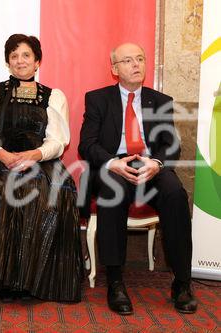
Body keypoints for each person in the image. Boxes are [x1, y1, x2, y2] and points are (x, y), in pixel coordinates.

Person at [0, 34, 83, 302]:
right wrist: (3, 155)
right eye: (14, 56)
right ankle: (0, 280)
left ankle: (37, 281)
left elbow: (59, 140)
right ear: (7, 62)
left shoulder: (53, 95)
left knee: (49, 192)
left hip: (40, 160)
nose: (20, 61)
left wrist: (35, 155)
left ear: (37, 61)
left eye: (26, 55)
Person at [78, 43, 197, 315]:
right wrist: (112, 162)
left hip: (149, 166)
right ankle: (116, 282)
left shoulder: (161, 101)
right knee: (112, 189)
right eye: (128, 60)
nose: (136, 65)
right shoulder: (98, 99)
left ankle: (181, 282)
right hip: (114, 165)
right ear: (114, 69)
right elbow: (87, 144)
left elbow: (171, 145)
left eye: (140, 59)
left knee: (175, 193)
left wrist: (156, 163)